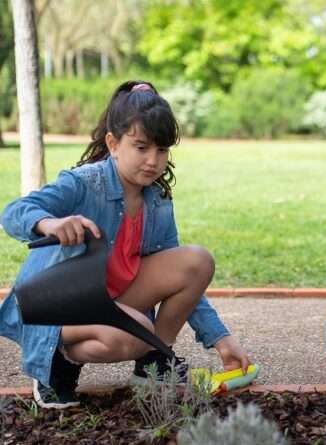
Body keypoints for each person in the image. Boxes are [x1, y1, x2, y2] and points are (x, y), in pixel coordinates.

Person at [1, 81, 250, 409]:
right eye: (141, 147)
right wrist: (51, 223)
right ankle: (58, 364)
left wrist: (221, 339)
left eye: (161, 150)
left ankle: (154, 362)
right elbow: (13, 213)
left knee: (197, 261)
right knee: (134, 332)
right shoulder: (83, 183)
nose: (153, 161)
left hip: (111, 298)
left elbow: (181, 278)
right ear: (113, 143)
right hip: (54, 306)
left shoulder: (157, 201)